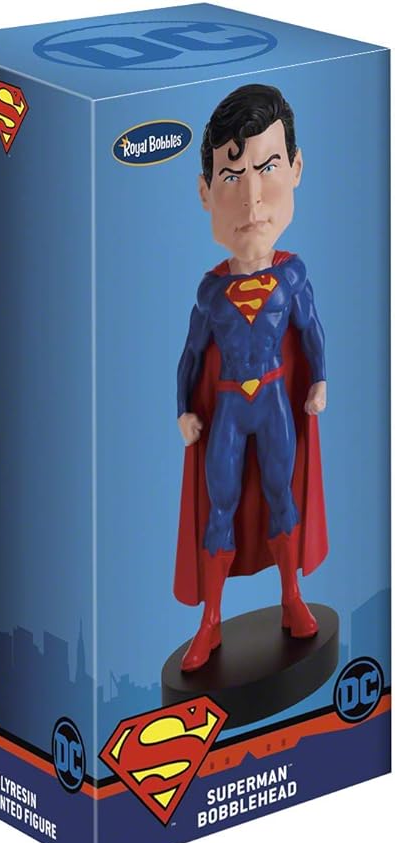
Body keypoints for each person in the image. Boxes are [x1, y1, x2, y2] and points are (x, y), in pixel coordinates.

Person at [174, 84, 327, 673]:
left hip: (274, 398)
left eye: (267, 168)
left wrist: (320, 380)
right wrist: (183, 410)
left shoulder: (292, 277)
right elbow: (190, 357)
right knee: (221, 505)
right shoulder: (210, 291)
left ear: (295, 169)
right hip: (229, 410)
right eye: (233, 176)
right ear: (206, 191)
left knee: (281, 495)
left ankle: (292, 598)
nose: (253, 197)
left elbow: (311, 332)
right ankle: (210, 621)